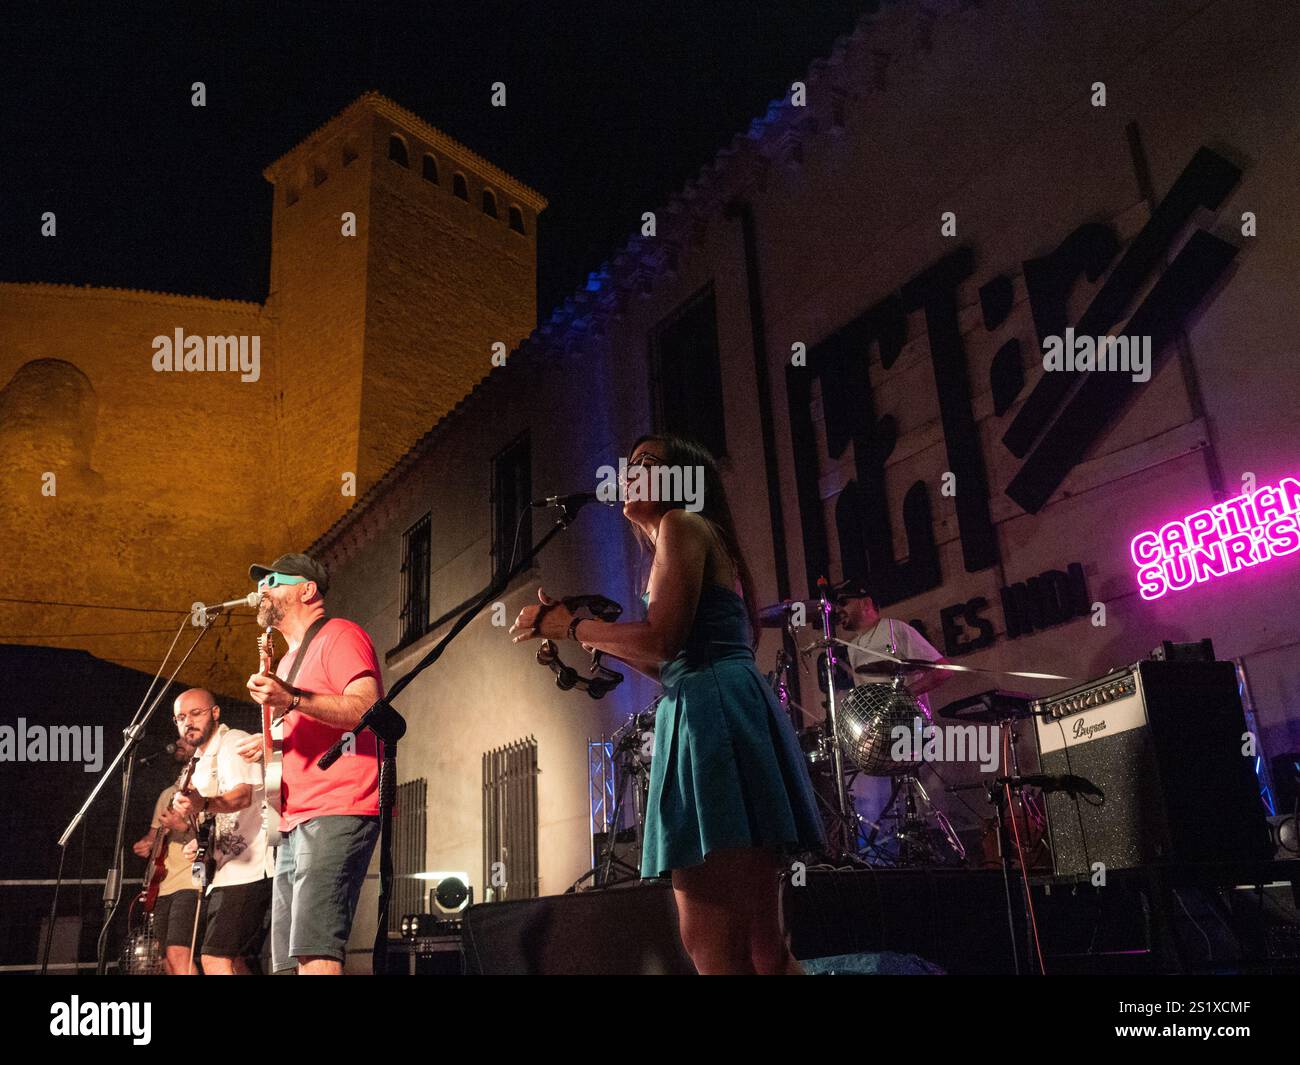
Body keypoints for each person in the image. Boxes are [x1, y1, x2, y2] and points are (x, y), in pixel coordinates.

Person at [510, 434, 825, 975]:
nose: (629, 473)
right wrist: (581, 634)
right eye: (628, 464)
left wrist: (573, 625)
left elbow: (661, 641)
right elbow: (666, 660)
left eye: (647, 464)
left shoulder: (682, 524)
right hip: (715, 706)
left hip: (714, 717)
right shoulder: (686, 538)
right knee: (748, 944)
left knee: (729, 945)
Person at [239, 552, 382, 976]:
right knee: (286, 962)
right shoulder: (286, 660)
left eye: (273, 581)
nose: (262, 590)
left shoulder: (340, 634)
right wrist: (268, 740)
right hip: (293, 819)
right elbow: (309, 728)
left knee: (314, 950)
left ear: (307, 589)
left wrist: (293, 699)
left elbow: (366, 707)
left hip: (337, 806)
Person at [172, 688, 270, 974]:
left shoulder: (233, 742)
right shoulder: (199, 763)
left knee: (215, 959)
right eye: (180, 717)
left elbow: (242, 796)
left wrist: (202, 802)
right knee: (232, 960)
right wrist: (200, 844)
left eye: (195, 713)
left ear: (215, 713)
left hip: (251, 869)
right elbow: (213, 817)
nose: (187, 722)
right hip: (225, 872)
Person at [131, 736, 200, 975]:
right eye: (178, 738)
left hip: (190, 883)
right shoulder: (167, 794)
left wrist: (181, 827)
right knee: (166, 961)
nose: (179, 743)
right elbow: (153, 836)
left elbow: (215, 833)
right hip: (162, 884)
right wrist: (146, 844)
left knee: (179, 955)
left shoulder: (203, 792)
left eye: (187, 740)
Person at [833, 578, 953, 716]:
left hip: (910, 726)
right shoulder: (852, 647)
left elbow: (943, 671)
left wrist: (900, 697)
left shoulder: (894, 629)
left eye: (843, 603)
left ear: (865, 603)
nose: (838, 610)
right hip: (879, 730)